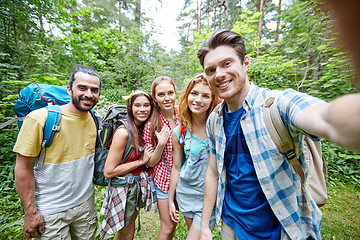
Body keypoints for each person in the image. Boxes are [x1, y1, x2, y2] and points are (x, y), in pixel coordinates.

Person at [197, 29, 360, 240]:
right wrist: (204, 226)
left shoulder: (276, 105)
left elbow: (321, 116)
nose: (218, 74)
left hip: (285, 229)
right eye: (211, 70)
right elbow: (212, 172)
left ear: (245, 63)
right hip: (232, 227)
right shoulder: (215, 120)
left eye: (226, 64)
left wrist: (342, 119)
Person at [13, 66, 101, 239]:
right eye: (82, 88)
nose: (89, 94)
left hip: (85, 205)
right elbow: (23, 168)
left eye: (94, 90)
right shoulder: (39, 118)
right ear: (69, 89)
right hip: (50, 211)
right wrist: (31, 213)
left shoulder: (94, 118)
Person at [168, 73, 221, 240]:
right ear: (187, 96)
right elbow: (177, 167)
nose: (198, 99)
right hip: (185, 193)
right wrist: (171, 200)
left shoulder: (219, 127)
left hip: (208, 196)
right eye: (194, 93)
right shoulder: (179, 132)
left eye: (205, 95)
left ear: (213, 100)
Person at [100, 90, 155, 240]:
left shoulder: (141, 128)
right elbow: (109, 171)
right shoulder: (123, 132)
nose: (142, 109)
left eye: (146, 105)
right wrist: (141, 161)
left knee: (126, 232)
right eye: (137, 105)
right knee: (126, 233)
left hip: (133, 189)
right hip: (123, 190)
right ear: (130, 108)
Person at [143, 76, 180, 239]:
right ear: (155, 98)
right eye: (161, 94)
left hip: (183, 177)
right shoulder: (152, 124)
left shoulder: (183, 114)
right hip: (164, 179)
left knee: (174, 222)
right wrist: (161, 143)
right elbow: (150, 162)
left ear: (175, 93)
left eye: (170, 93)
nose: (167, 98)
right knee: (168, 225)